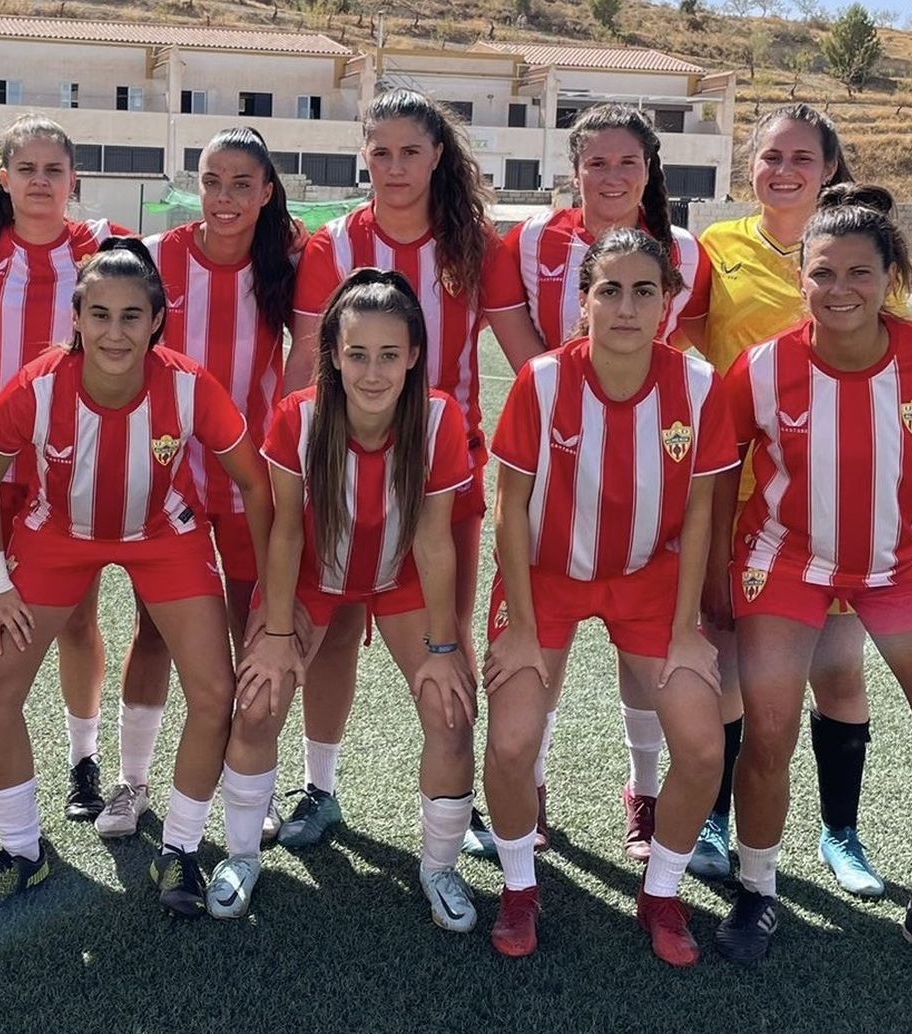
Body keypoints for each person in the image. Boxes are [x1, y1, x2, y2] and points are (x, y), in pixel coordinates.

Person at [0, 238, 272, 918]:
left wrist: (271, 610)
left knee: (216, 689)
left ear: (157, 320)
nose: (114, 331)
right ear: (77, 317)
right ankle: (22, 850)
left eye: (132, 315)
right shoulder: (38, 387)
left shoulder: (188, 383)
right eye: (99, 314)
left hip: (164, 535)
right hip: (56, 536)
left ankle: (180, 849)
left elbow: (256, 483)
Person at [711, 185, 912, 987]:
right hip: (785, 563)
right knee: (767, 737)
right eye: (823, 273)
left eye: (859, 274)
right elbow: (718, 474)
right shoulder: (762, 369)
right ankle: (757, 889)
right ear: (800, 277)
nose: (839, 290)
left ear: (891, 276)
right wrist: (712, 579)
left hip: (904, 564)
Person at [278, 89, 543, 849]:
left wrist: (579, 418)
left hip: (438, 477)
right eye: (381, 151)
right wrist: (294, 454)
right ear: (363, 154)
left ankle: (461, 809)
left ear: (437, 157)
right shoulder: (334, 245)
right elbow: (306, 358)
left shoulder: (475, 244)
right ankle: (318, 788)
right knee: (330, 635)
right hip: (338, 473)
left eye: (411, 151)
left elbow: (527, 359)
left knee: (446, 640)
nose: (395, 167)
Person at [482, 229, 735, 964]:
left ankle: (661, 894)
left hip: (650, 579)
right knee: (510, 742)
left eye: (644, 290)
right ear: (585, 301)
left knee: (701, 746)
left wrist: (688, 627)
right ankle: (520, 887)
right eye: (610, 290)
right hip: (547, 577)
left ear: (668, 303)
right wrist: (522, 627)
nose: (626, 306)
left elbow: (697, 513)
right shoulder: (543, 380)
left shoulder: (696, 386)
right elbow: (510, 507)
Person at [215, 270, 478, 929]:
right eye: (357, 354)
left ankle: (440, 868)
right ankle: (242, 854)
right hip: (308, 577)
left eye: (390, 355)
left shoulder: (440, 417)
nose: (372, 372)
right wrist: (276, 635)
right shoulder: (298, 417)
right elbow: (283, 532)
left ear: (414, 355)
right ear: (332, 352)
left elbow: (434, 540)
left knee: (451, 714)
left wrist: (446, 648)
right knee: (259, 700)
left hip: (399, 580)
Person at [496, 103, 713, 862]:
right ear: (574, 168)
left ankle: (643, 793)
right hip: (556, 447)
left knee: (639, 656)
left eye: (628, 163)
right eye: (597, 162)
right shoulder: (527, 240)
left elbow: (679, 351)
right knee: (534, 671)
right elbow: (519, 342)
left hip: (640, 465)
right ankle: (534, 794)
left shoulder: (684, 249)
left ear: (650, 171)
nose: (612, 176)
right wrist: (565, 394)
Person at [685, 103, 886, 896]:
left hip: (835, 497)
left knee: (838, 670)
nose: (784, 170)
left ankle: (842, 835)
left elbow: (892, 359)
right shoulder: (717, 246)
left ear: (830, 167)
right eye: (770, 156)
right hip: (738, 494)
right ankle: (714, 821)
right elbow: (687, 347)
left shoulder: (863, 247)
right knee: (732, 664)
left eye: (802, 157)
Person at [98, 127, 299, 843]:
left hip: (255, 483)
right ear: (197, 185)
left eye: (243, 183)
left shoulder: (290, 261)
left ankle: (253, 786)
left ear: (266, 192)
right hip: (172, 479)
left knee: (254, 633)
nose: (226, 197)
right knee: (153, 629)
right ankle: (132, 784)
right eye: (214, 181)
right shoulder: (156, 258)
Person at [0, 114, 131, 825]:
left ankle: (84, 760)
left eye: (55, 170)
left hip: (69, 466)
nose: (42, 182)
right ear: (5, 179)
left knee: (76, 620)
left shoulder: (103, 245)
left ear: (74, 180)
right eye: (28, 169)